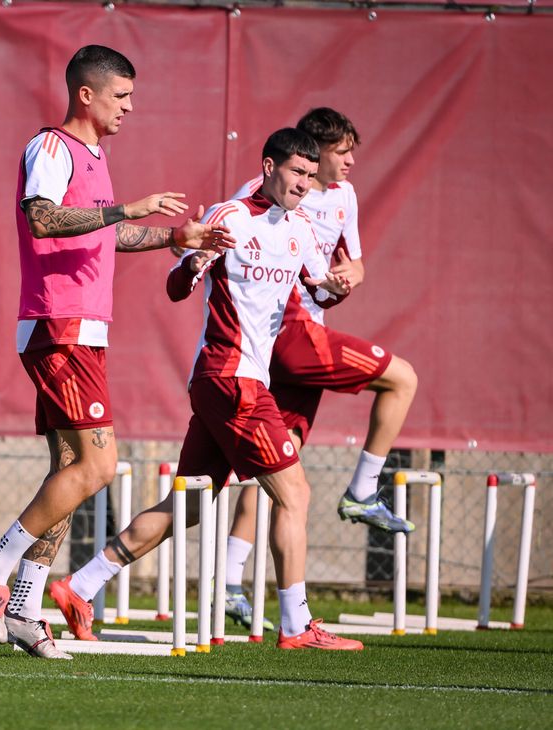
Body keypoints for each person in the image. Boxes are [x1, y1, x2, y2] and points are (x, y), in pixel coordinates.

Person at [0, 45, 234, 659]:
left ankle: (25, 604)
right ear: (86, 94)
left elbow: (107, 233)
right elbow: (42, 218)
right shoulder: (50, 147)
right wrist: (124, 208)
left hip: (83, 329)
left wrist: (172, 237)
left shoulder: (96, 155)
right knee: (99, 467)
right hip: (58, 325)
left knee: (71, 469)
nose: (129, 107)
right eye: (121, 96)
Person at [50, 128, 363, 651]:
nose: (304, 184)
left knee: (190, 504)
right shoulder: (230, 216)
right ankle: (296, 625)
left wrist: (337, 287)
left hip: (235, 382)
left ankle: (79, 587)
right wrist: (194, 262)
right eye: (296, 172)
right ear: (269, 167)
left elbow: (318, 292)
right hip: (230, 378)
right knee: (295, 493)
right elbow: (176, 286)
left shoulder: (302, 228)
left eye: (311, 176)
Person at [217, 108, 418, 629]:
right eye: (341, 152)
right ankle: (362, 491)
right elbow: (233, 249)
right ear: (312, 150)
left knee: (279, 467)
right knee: (403, 378)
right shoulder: (264, 193)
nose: (349, 161)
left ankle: (229, 583)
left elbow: (355, 263)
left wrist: (350, 277)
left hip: (299, 332)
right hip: (289, 333)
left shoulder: (345, 196)